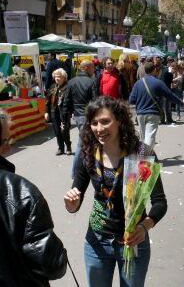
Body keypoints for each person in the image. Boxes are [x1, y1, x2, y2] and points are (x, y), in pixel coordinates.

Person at [64, 96, 167, 287]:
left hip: (132, 240)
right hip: (97, 241)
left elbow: (160, 202)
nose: (99, 128)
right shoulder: (88, 153)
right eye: (94, 123)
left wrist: (145, 227)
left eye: (105, 121)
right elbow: (76, 196)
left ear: (119, 120)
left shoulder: (142, 154)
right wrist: (72, 204)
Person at [0, 111, 68, 286]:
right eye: (5, 141)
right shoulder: (19, 191)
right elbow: (51, 263)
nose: (9, 148)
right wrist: (59, 252)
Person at [129, 62, 183, 148]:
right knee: (149, 137)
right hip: (153, 113)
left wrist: (141, 100)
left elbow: (131, 100)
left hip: (140, 114)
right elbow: (170, 95)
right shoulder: (158, 83)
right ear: (154, 70)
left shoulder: (137, 83)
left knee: (143, 138)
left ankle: (142, 158)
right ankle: (145, 160)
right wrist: (181, 103)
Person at [62, 59, 97, 177]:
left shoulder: (71, 82)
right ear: (86, 68)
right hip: (87, 116)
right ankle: (75, 173)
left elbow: (66, 102)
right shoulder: (91, 82)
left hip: (77, 116)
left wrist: (65, 118)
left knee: (87, 142)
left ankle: (89, 168)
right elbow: (95, 101)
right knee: (81, 144)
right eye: (92, 67)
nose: (94, 69)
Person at [45, 68, 72, 156]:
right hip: (54, 111)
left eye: (59, 77)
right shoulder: (53, 86)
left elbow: (72, 101)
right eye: (55, 77)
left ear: (64, 77)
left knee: (64, 130)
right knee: (57, 131)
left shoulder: (68, 87)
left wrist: (71, 111)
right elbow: (47, 100)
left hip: (64, 112)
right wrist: (46, 112)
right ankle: (61, 148)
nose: (57, 79)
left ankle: (68, 146)